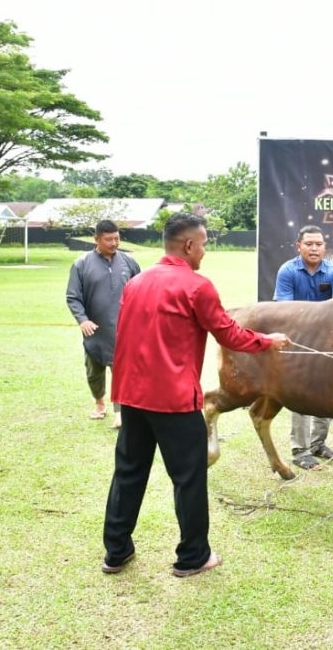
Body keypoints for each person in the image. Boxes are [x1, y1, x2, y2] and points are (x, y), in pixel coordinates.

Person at [101, 212, 289, 577]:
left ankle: (116, 552)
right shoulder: (197, 286)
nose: (204, 252)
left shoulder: (136, 282)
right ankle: (193, 556)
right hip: (172, 400)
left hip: (133, 398)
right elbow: (230, 334)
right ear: (189, 245)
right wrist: (269, 341)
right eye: (203, 244)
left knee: (128, 474)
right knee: (189, 477)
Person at [273, 224, 333, 470]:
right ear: (299, 246)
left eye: (319, 244)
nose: (314, 248)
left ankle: (318, 444)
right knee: (302, 395)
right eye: (309, 244)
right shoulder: (288, 271)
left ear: (324, 246)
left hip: (327, 343)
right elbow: (284, 312)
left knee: (327, 392)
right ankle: (300, 451)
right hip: (297, 342)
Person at [66, 219, 141, 429]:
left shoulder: (129, 262)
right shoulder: (81, 264)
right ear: (96, 239)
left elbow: (142, 291)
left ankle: (120, 412)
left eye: (117, 238)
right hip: (95, 331)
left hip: (124, 330)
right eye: (109, 239)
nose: (114, 243)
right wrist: (83, 320)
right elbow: (73, 297)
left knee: (121, 371)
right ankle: (99, 402)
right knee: (94, 372)